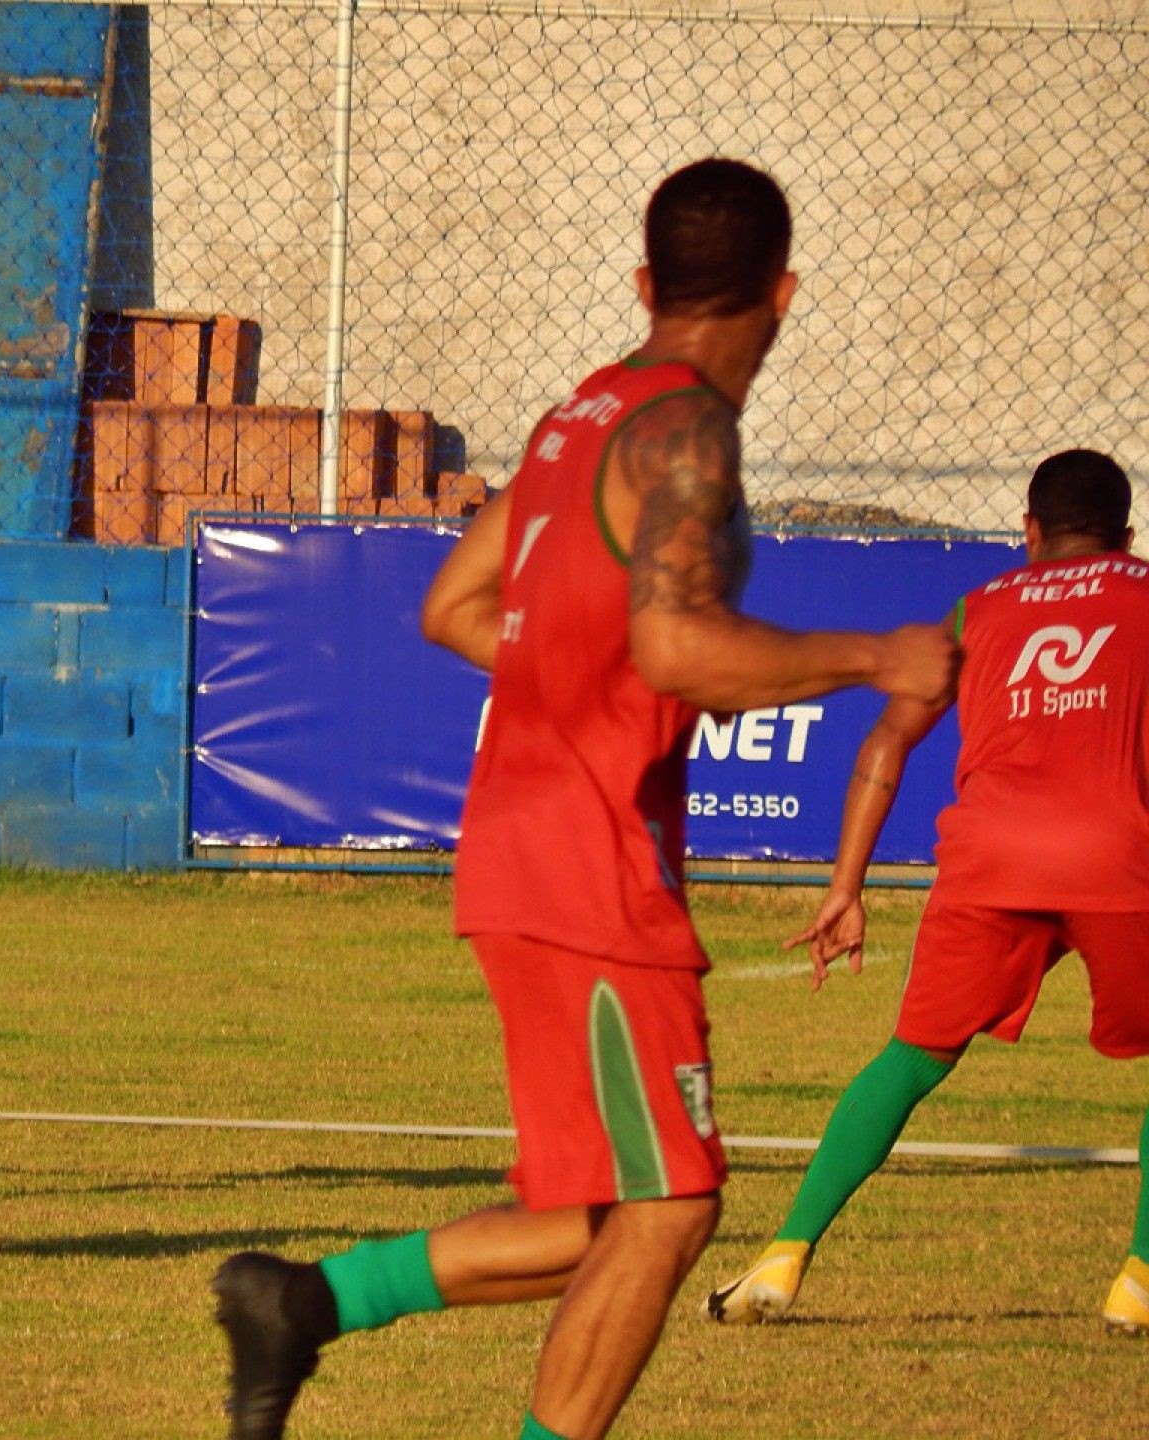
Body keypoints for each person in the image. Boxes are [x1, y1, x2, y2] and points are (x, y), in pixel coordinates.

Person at [209, 158, 960, 1440]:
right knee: (670, 1207)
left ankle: (304, 1302)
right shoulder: (687, 431)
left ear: (643, 283)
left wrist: (585, 682)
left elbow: (455, 605)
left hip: (521, 850)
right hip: (591, 864)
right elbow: (677, 648)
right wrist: (876, 654)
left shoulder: (582, 415)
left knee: (615, 1212)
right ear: (783, 295)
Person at [706, 449, 1149, 1337]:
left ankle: (786, 1252)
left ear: (1029, 532)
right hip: (1119, 857)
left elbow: (886, 741)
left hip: (989, 861)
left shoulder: (977, 608)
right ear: (1127, 535)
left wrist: (845, 887)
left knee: (912, 1058)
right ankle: (1138, 1279)